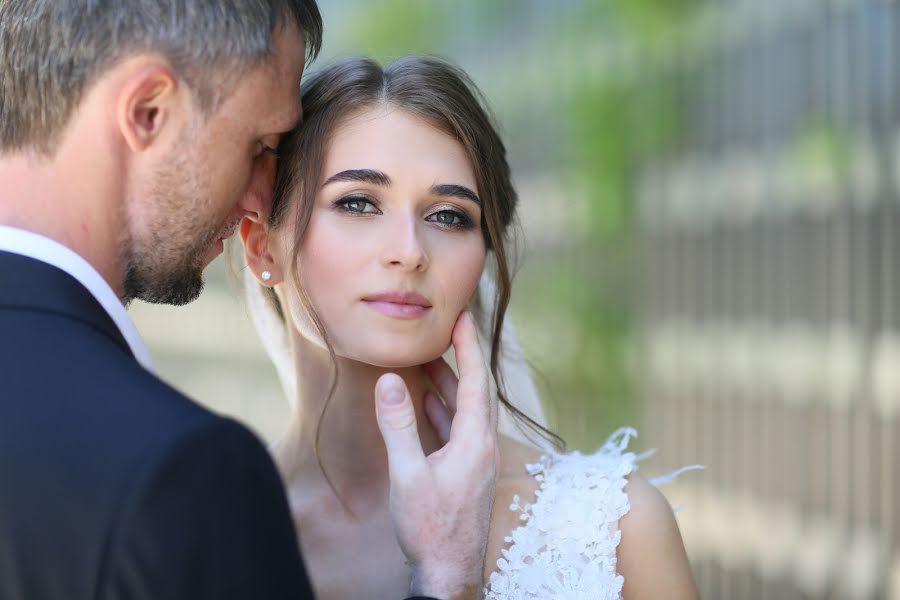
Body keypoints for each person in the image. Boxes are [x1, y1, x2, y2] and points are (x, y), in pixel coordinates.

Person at [0, 3, 500, 600]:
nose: (263, 194)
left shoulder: (607, 520)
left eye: (449, 216)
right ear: (147, 111)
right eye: (262, 143)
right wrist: (445, 580)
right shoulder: (187, 475)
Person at [239, 55, 702, 599]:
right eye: (358, 203)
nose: (409, 252)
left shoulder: (613, 532)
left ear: (481, 257)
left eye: (447, 216)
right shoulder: (209, 535)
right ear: (261, 247)